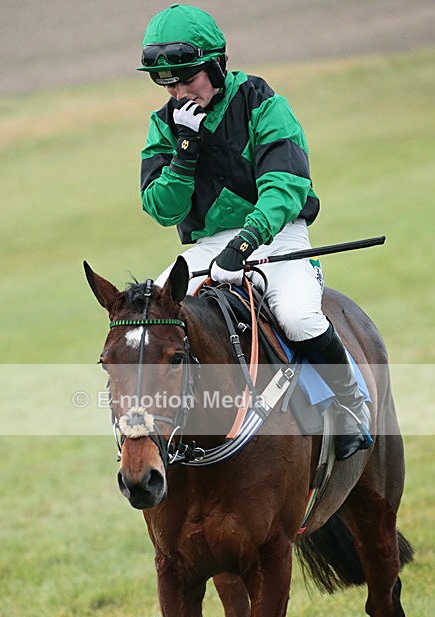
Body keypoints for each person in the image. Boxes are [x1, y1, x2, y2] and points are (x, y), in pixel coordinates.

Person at [137, 3, 372, 460]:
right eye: (169, 83)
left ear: (216, 65)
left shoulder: (264, 103)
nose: (179, 92)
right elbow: (160, 208)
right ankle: (151, 430)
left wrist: (245, 241)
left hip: (277, 235)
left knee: (300, 317)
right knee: (149, 324)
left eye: (188, 79)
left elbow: (285, 186)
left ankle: (350, 404)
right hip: (207, 247)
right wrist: (185, 154)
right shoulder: (164, 125)